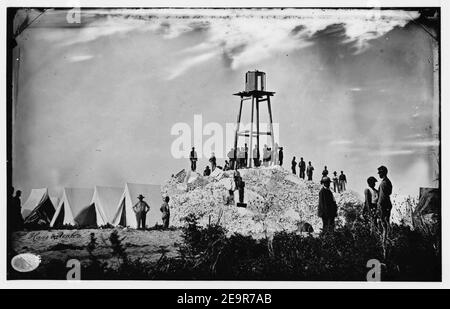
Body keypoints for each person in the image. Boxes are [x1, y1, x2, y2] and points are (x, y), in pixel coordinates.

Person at [377, 166, 393, 244]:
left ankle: (385, 241)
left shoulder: (385, 182)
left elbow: (384, 196)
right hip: (384, 205)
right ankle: (385, 240)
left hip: (384, 205)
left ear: (383, 173)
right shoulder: (386, 181)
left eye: (380, 173)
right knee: (384, 224)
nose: (379, 174)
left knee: (384, 224)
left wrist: (380, 205)